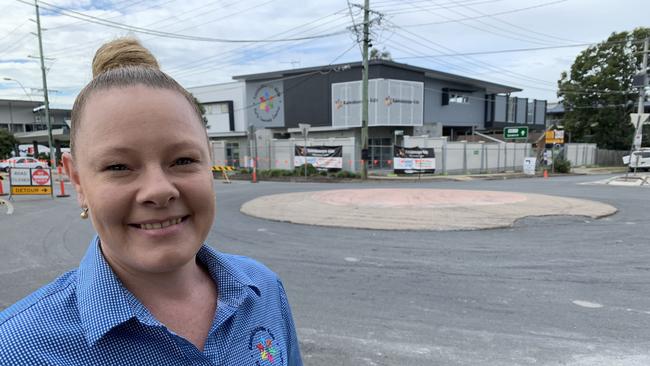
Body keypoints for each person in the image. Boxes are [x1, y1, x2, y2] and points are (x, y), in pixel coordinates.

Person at [0, 38, 302, 365]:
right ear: (77, 180)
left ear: (209, 162)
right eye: (118, 167)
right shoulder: (18, 349)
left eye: (183, 160)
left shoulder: (264, 291)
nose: (158, 190)